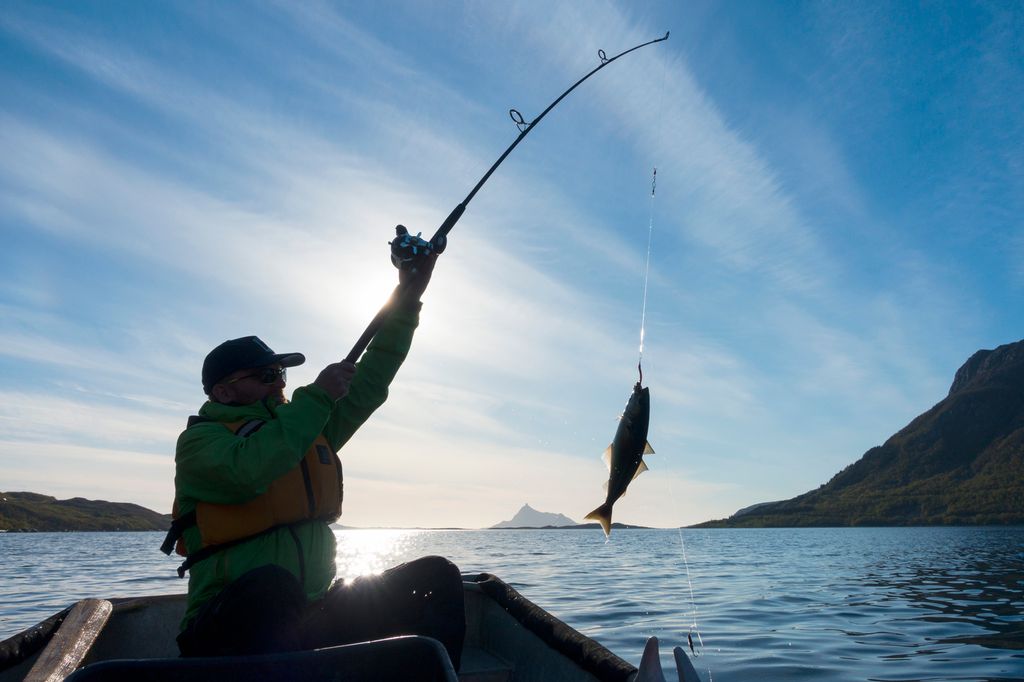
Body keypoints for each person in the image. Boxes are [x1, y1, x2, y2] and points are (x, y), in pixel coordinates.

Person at [161, 254, 465, 666]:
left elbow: (371, 376)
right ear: (223, 392)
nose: (279, 384)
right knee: (273, 585)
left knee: (437, 574)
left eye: (280, 375)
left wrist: (409, 296)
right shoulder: (199, 443)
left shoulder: (307, 423)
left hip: (309, 616)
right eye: (265, 376)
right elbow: (249, 471)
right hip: (226, 629)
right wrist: (317, 397)